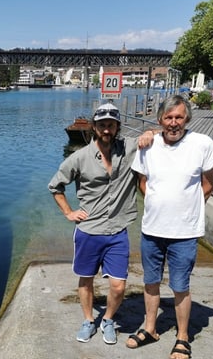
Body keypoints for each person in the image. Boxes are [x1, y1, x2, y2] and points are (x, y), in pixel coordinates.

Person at [48, 103, 154, 344]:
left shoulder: (128, 148)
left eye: (111, 125)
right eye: (102, 125)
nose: (107, 129)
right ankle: (88, 320)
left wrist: (150, 133)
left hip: (117, 229)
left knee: (118, 286)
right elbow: (55, 186)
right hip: (88, 230)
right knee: (86, 279)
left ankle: (107, 319)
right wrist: (69, 213)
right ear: (94, 127)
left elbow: (160, 133)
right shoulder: (79, 157)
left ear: (117, 127)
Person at [128, 94, 213, 359]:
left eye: (179, 117)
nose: (174, 122)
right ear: (160, 120)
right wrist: (159, 203)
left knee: (180, 285)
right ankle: (151, 329)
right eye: (168, 117)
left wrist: (185, 209)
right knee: (150, 281)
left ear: (187, 118)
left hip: (185, 233)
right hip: (152, 229)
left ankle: (182, 337)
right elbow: (142, 182)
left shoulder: (202, 144)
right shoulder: (149, 145)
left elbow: (208, 184)